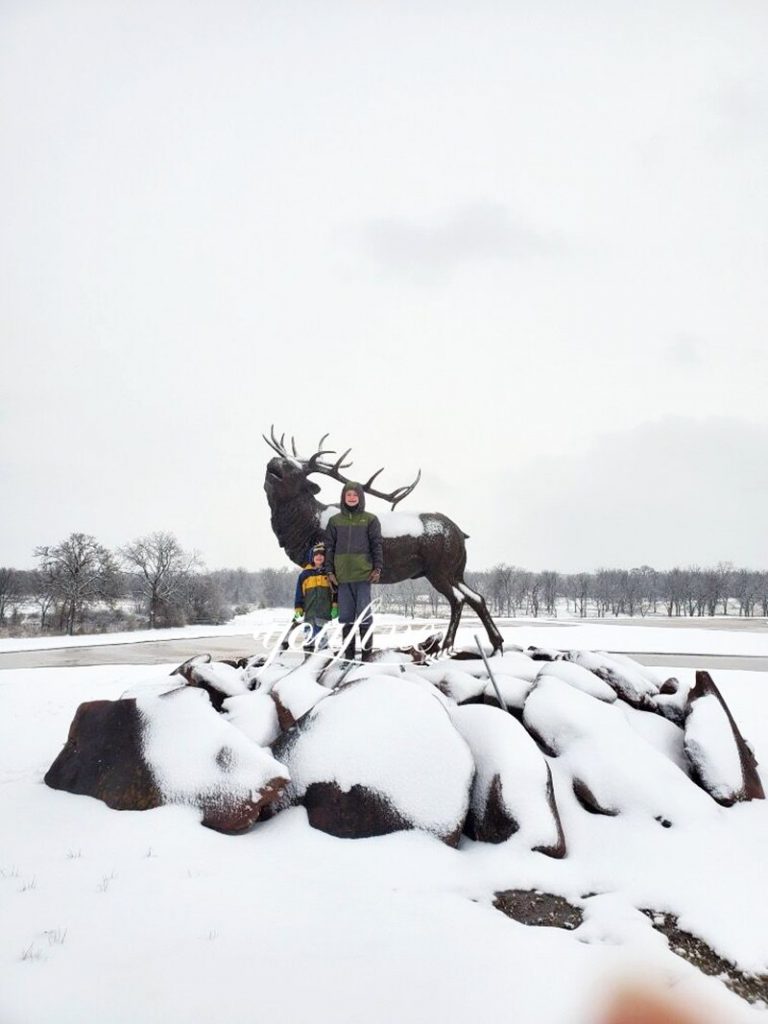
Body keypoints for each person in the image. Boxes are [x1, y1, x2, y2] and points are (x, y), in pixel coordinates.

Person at [326, 482, 383, 662]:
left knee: (365, 616)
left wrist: (377, 568)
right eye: (348, 495)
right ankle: (349, 658)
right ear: (343, 497)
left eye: (355, 495)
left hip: (363, 576)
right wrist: (329, 571)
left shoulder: (370, 520)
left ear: (360, 498)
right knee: (346, 619)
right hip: (342, 578)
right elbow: (329, 548)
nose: (351, 498)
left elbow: (377, 545)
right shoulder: (334, 521)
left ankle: (366, 657)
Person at [293, 542, 338, 650]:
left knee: (322, 637)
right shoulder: (304, 575)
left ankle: (323, 659)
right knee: (309, 638)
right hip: (309, 612)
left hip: (324, 612)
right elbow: (299, 594)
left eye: (322, 554)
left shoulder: (329, 574)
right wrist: (298, 608)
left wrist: (335, 606)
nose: (319, 556)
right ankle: (308, 658)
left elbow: (335, 592)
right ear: (312, 557)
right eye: (316, 554)